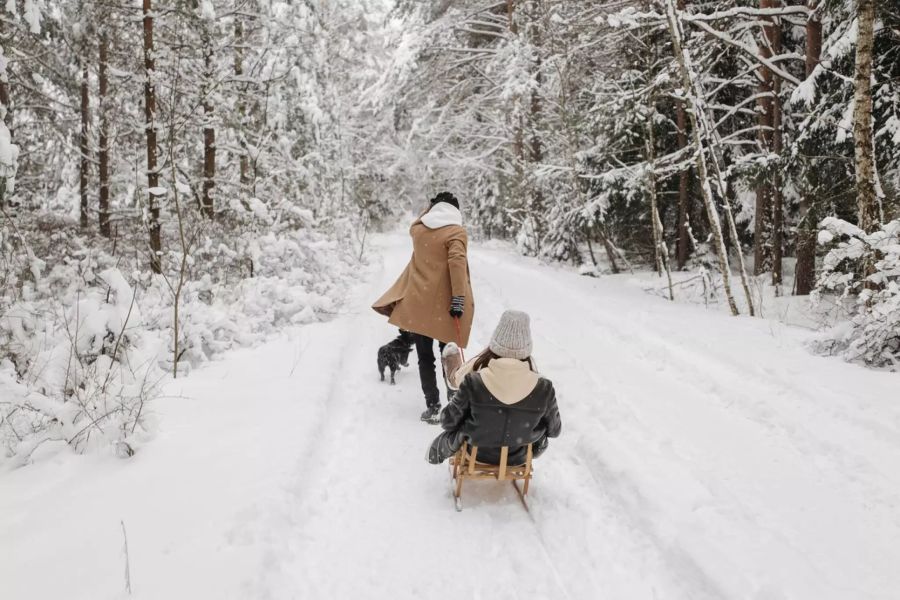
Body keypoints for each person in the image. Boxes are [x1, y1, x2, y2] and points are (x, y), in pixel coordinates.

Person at [372, 192, 474, 423]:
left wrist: (429, 209)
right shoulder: (456, 232)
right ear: (455, 211)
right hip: (445, 308)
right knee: (449, 356)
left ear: (433, 209)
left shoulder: (418, 231)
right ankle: (453, 406)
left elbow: (421, 218)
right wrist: (458, 298)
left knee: (424, 358)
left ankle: (433, 406)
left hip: (418, 305)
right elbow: (457, 262)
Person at [427, 310, 561, 465]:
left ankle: (454, 379)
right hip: (518, 456)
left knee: (461, 415)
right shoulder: (544, 388)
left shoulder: (474, 382)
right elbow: (554, 431)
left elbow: (447, 422)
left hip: (476, 453)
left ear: (495, 345)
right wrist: (527, 424)